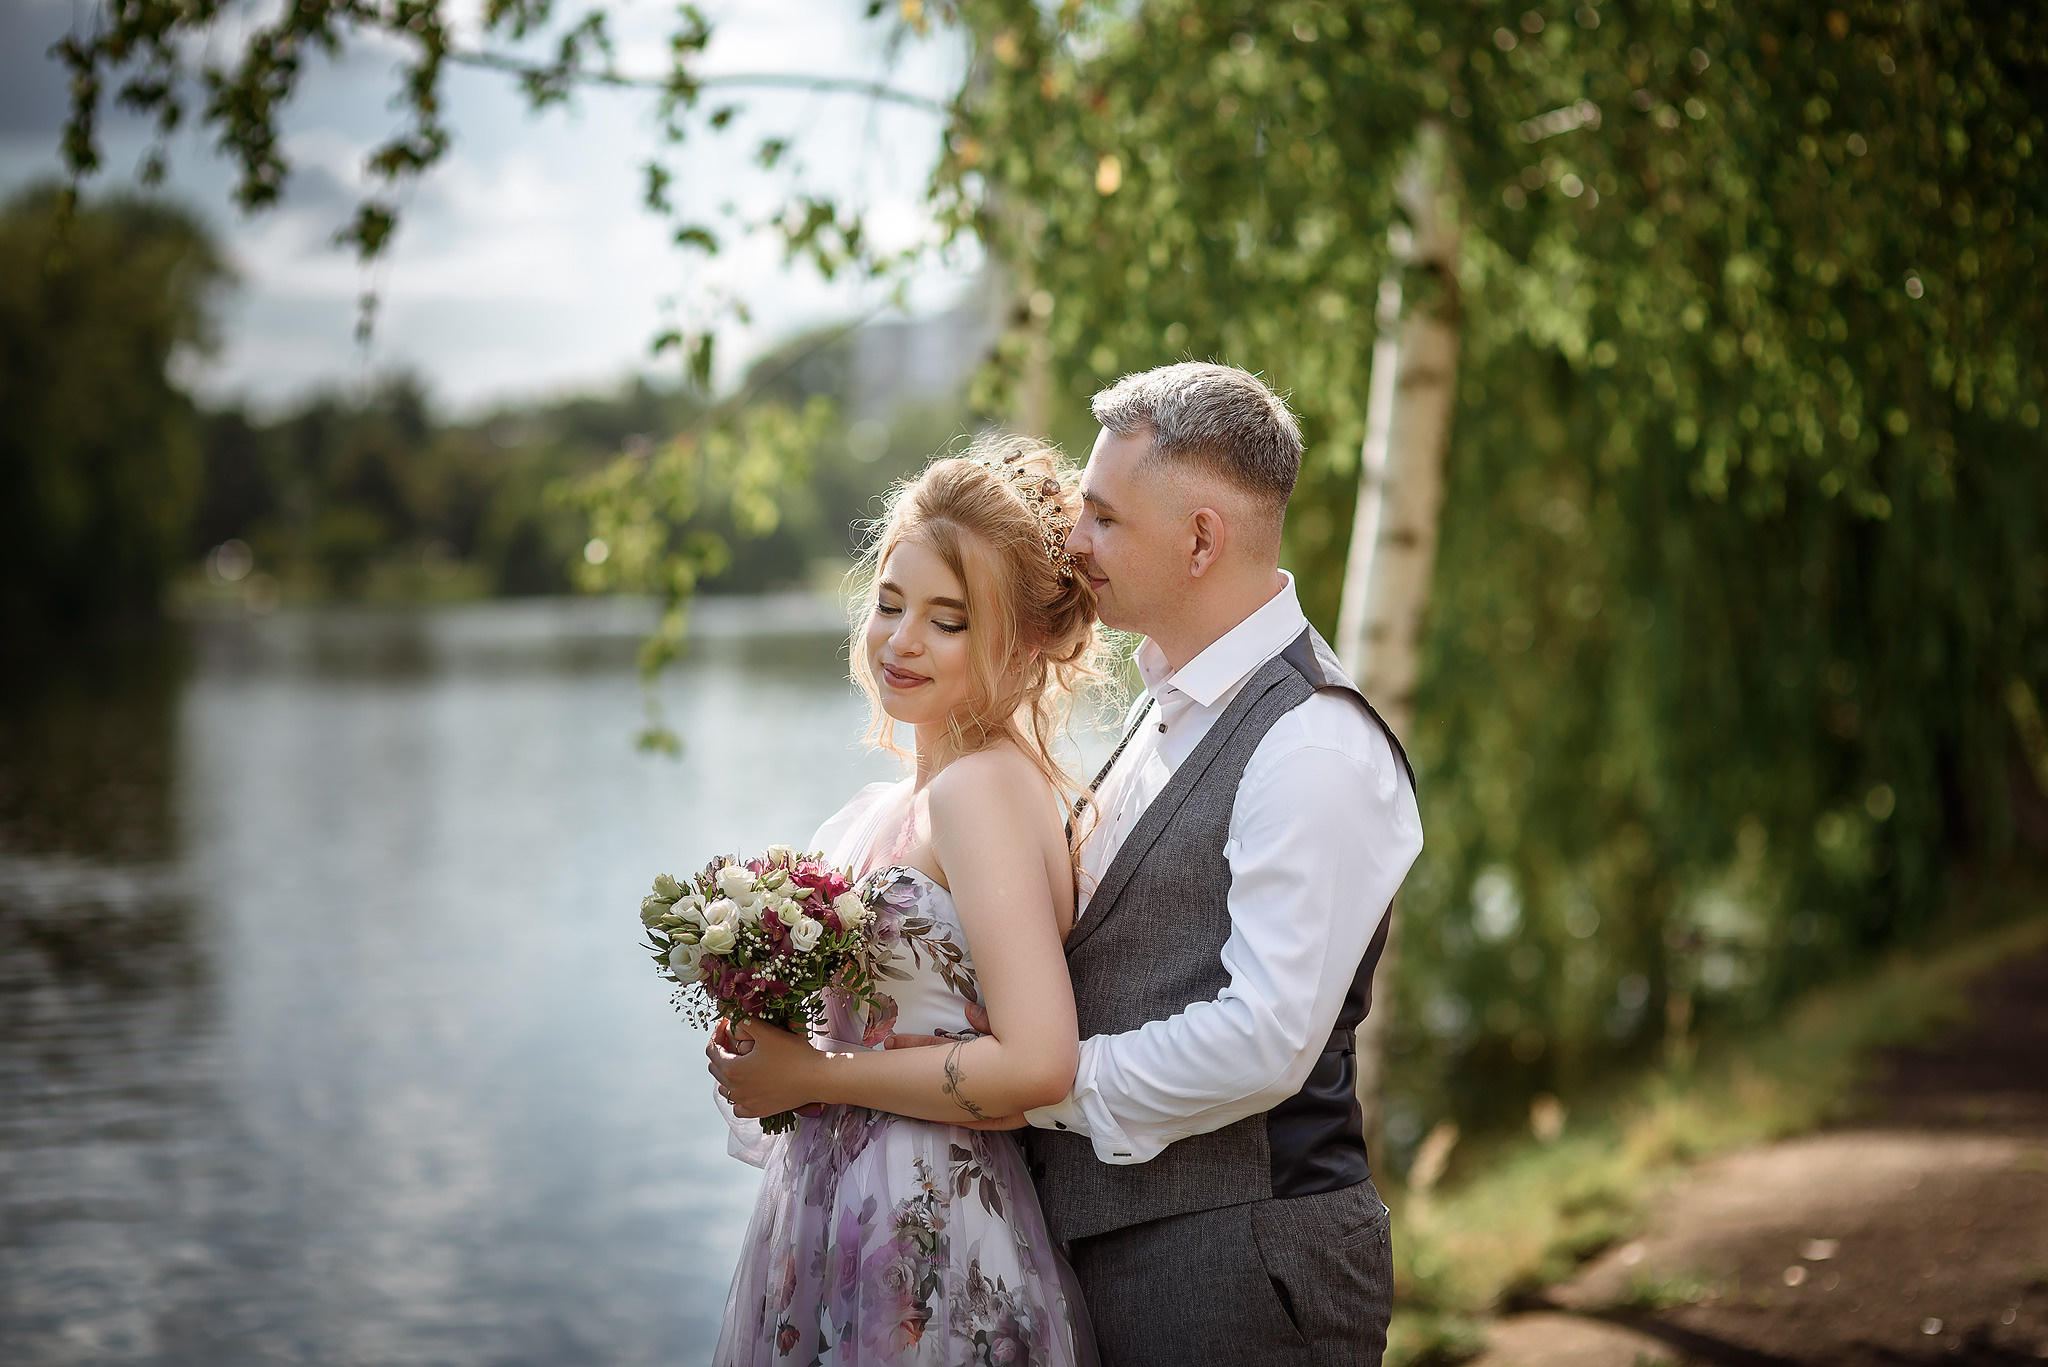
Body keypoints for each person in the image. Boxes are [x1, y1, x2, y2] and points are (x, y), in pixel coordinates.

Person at [895, 363, 1424, 1364]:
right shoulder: (1165, 705)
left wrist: (1038, 1084)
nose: (1073, 541)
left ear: (1200, 540)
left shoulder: (1310, 742)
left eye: (1103, 517)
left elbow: (1262, 1038)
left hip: (1239, 1275)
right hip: (1122, 1260)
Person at [706, 436, 1102, 1366]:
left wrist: (815, 1073)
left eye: (948, 620)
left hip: (928, 1232)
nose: (902, 639)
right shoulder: (893, 805)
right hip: (843, 1205)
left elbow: (1039, 1061)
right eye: (890, 603)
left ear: (1023, 641)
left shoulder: (981, 791)